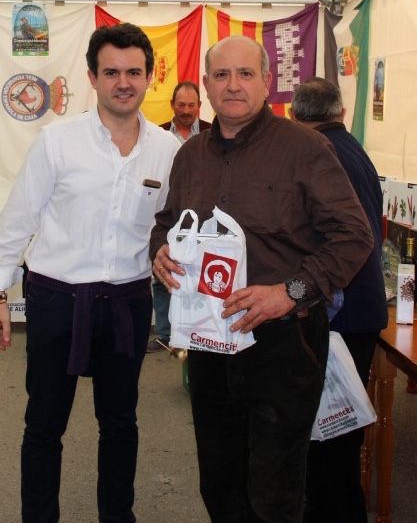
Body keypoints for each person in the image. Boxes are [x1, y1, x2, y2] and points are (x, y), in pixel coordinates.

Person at [149, 35, 375, 522]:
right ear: (206, 84)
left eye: (245, 74)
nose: (233, 85)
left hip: (284, 343)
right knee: (219, 483)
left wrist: (289, 292)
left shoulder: (306, 147)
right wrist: (160, 252)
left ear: (267, 82)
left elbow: (355, 235)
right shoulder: (190, 155)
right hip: (209, 342)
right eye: (222, 75)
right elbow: (166, 222)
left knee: (274, 492)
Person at [0, 23, 181, 523]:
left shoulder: (168, 150)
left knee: (121, 424)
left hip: (128, 303)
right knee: (44, 424)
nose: (123, 82)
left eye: (134, 72)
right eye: (111, 72)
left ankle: (117, 516)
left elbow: (172, 227)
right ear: (92, 77)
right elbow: (17, 218)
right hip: (57, 303)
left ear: (149, 77)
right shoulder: (57, 141)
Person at [289, 76, 388, 523]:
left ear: (294, 116)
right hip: (357, 305)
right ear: (342, 112)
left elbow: (333, 240)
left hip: (338, 310)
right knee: (335, 434)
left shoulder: (319, 153)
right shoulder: (352, 148)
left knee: (330, 433)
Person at [147, 81, 211, 353]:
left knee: (201, 278)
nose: (186, 110)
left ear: (199, 106)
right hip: (168, 213)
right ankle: (164, 334)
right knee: (164, 275)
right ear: (172, 105)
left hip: (204, 217)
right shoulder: (156, 135)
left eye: (191, 105)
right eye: (181, 105)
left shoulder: (212, 133)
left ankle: (200, 335)